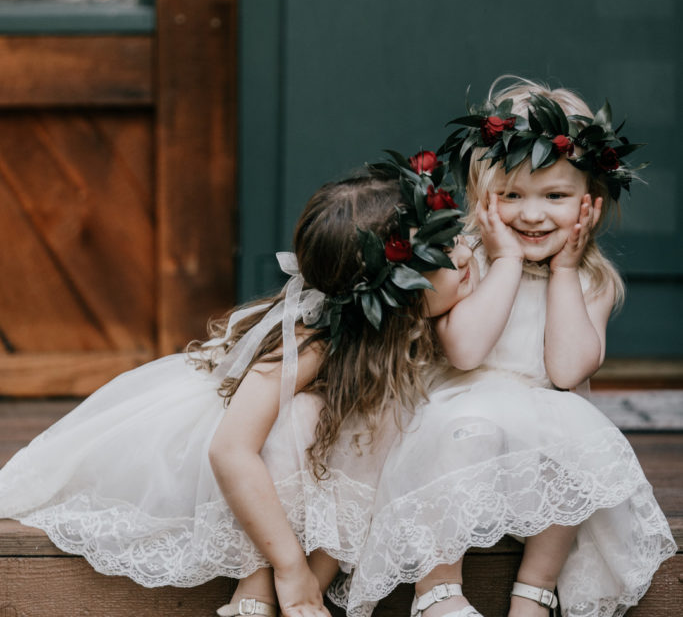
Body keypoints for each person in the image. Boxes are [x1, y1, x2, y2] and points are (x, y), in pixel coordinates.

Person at [0, 155, 468, 617]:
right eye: (444, 254)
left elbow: (359, 471)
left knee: (372, 424)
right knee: (300, 419)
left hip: (298, 461)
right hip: (217, 457)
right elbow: (230, 451)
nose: (466, 253)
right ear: (396, 293)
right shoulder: (314, 342)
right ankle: (257, 584)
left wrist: (314, 579)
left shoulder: (403, 330)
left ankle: (301, 597)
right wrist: (289, 568)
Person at [339, 79, 676, 617]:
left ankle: (535, 591)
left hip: (539, 441)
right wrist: (507, 263)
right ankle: (438, 589)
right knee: (466, 428)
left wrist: (564, 269)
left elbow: (566, 373)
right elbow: (465, 352)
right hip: (458, 416)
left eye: (556, 197)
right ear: (481, 199)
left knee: (580, 438)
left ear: (589, 203)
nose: (533, 215)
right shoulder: (465, 259)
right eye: (512, 196)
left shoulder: (593, 280)